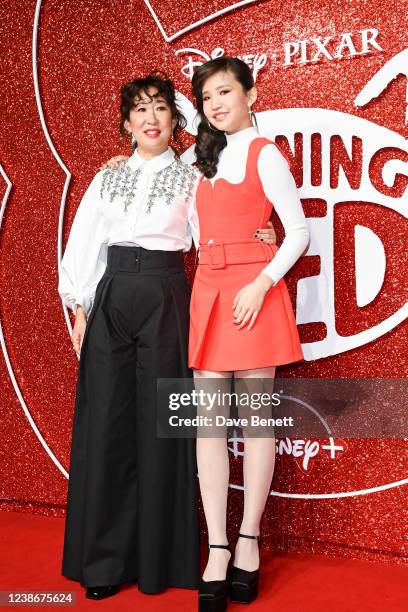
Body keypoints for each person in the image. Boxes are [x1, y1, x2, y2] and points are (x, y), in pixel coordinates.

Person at [59, 71, 276, 602]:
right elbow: (85, 239)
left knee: (167, 427)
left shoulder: (194, 174)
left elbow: (220, 228)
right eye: (139, 109)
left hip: (168, 296)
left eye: (159, 107)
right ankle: (106, 559)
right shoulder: (107, 176)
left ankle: (164, 558)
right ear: (126, 123)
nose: (150, 117)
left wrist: (264, 235)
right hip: (111, 298)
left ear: (176, 118)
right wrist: (80, 304)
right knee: (107, 423)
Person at [188, 57, 309, 611]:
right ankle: (216, 545)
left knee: (257, 425)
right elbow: (186, 229)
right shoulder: (195, 159)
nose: (215, 104)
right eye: (207, 97)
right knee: (209, 427)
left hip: (252, 294)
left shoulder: (266, 154)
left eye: (225, 93)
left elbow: (298, 232)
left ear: (250, 95)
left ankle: (248, 541)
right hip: (209, 292)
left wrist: (260, 283)